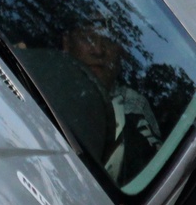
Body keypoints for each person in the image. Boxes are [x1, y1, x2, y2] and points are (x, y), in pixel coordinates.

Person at [63, 24, 165, 190]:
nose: (97, 50)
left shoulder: (132, 107)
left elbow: (150, 178)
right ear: (67, 43)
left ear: (121, 52)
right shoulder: (38, 72)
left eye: (108, 40)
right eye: (88, 37)